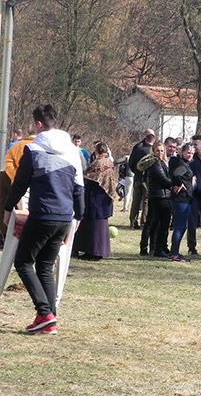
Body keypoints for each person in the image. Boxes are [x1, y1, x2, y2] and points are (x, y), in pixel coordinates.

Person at [3, 105, 84, 335]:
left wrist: (9, 208)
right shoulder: (72, 151)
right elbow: (79, 187)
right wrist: (79, 215)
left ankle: (44, 312)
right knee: (45, 267)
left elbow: (20, 183)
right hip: (64, 216)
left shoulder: (34, 148)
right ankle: (50, 319)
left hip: (42, 214)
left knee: (23, 262)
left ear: (38, 124)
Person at [73, 142, 117, 261]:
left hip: (96, 197)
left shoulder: (98, 163)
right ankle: (98, 250)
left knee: (94, 225)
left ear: (97, 151)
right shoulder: (109, 161)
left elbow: (87, 176)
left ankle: (94, 251)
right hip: (104, 197)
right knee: (100, 225)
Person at [137, 142, 173, 257]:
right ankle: (148, 247)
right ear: (153, 151)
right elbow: (163, 179)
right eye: (157, 150)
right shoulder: (155, 163)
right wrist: (175, 184)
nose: (160, 153)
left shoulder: (162, 162)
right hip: (158, 196)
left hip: (160, 195)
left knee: (154, 222)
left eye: (162, 151)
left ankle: (154, 247)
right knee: (154, 223)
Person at [168, 144, 195, 263]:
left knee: (181, 226)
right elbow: (176, 174)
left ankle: (175, 251)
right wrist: (179, 184)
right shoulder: (182, 164)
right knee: (180, 226)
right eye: (188, 152)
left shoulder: (183, 163)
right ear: (183, 152)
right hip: (181, 200)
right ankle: (174, 253)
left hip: (185, 199)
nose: (190, 155)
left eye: (192, 153)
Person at [127, 129, 156, 229]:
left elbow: (131, 163)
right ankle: (144, 222)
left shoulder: (137, 147)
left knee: (136, 200)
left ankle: (133, 221)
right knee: (146, 201)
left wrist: (136, 172)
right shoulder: (152, 150)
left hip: (137, 178)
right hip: (147, 179)